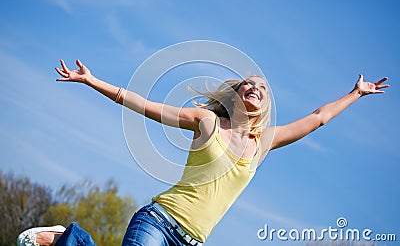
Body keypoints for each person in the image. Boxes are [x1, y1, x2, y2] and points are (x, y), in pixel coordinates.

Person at [17, 59, 389, 246]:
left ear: (266, 104)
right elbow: (144, 104)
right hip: (159, 220)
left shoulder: (264, 143)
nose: (255, 87)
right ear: (237, 94)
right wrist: (92, 80)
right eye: (249, 84)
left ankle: (71, 239)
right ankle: (67, 237)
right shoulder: (206, 121)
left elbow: (319, 117)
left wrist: (356, 93)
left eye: (262, 87)